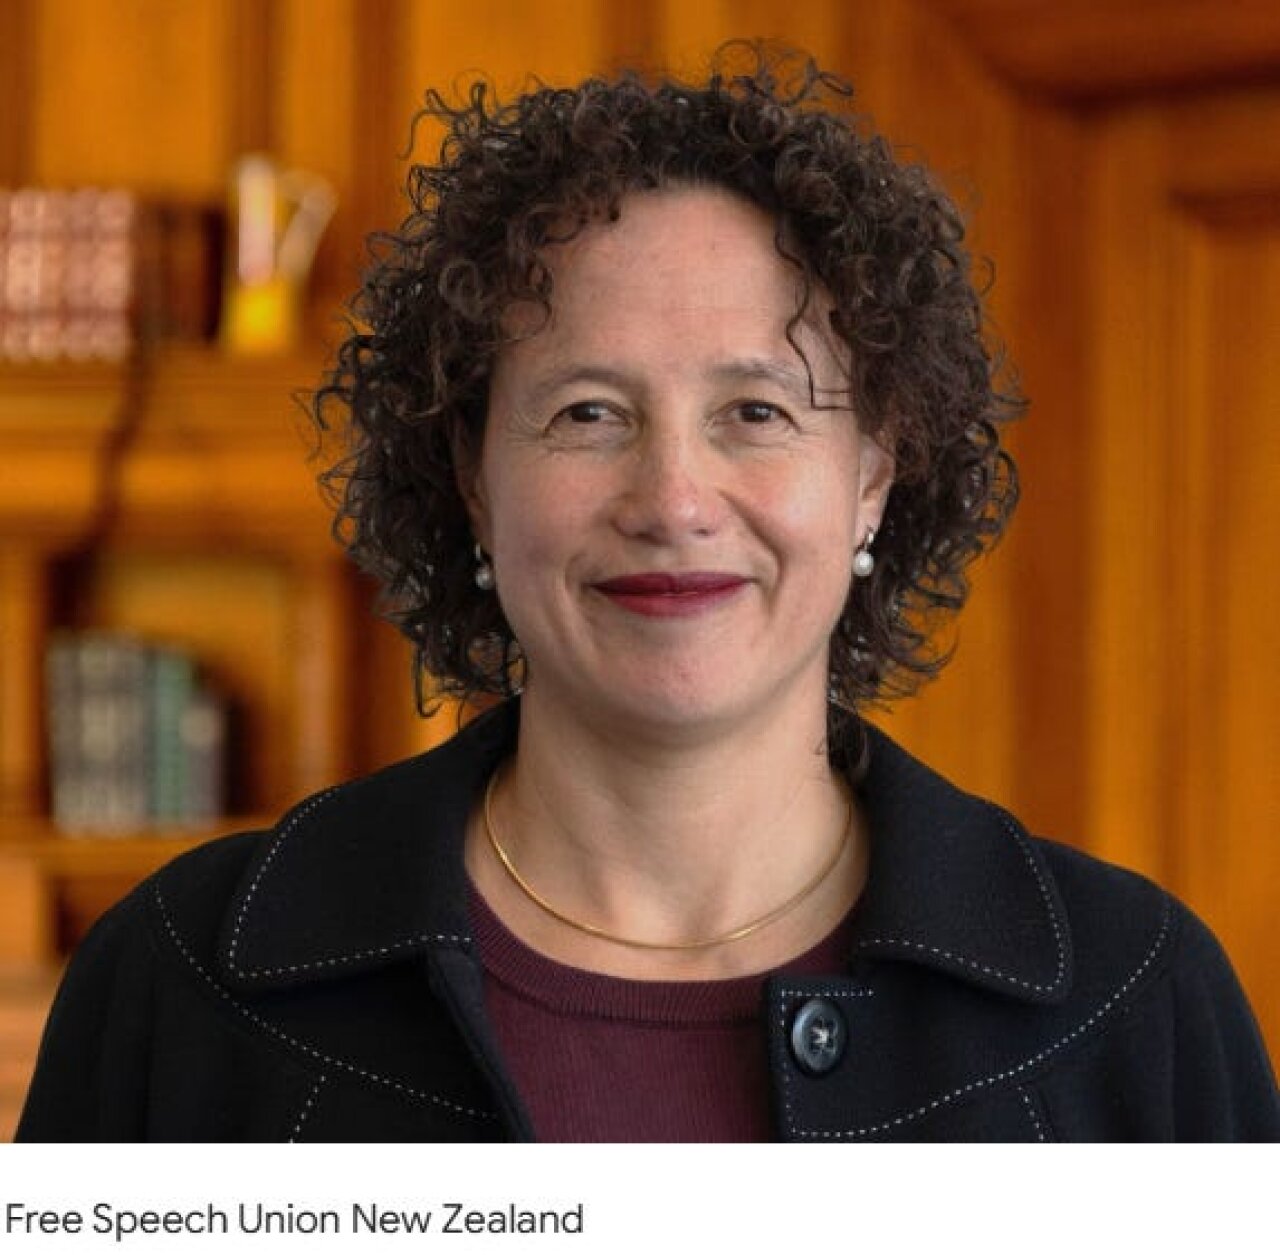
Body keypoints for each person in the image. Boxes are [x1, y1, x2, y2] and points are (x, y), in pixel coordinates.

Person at [17, 44, 1279, 1142]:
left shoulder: (1133, 1002)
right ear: (471, 480)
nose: (672, 498)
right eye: (586, 412)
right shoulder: (178, 985)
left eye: (755, 411)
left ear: (871, 479)